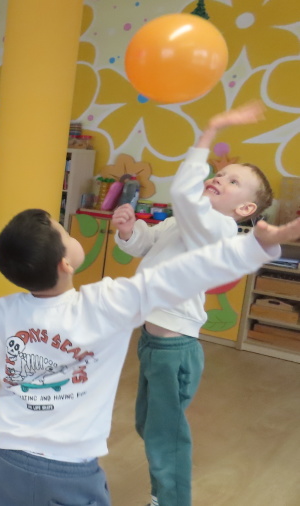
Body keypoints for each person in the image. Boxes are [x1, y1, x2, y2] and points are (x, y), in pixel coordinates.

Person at [0, 208, 300, 506]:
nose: (71, 234)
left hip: (4, 465)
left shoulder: (0, 312)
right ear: (66, 263)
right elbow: (183, 275)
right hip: (72, 473)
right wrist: (255, 247)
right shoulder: (107, 302)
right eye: (66, 232)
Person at [111, 102, 273, 506]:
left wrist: (211, 129)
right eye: (219, 174)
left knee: (165, 435)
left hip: (174, 349)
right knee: (147, 424)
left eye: (232, 181)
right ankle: (163, 490)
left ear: (244, 209)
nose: (219, 178)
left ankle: (169, 499)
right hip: (153, 343)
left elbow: (184, 193)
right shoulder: (181, 222)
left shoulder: (220, 228)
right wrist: (129, 231)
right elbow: (145, 245)